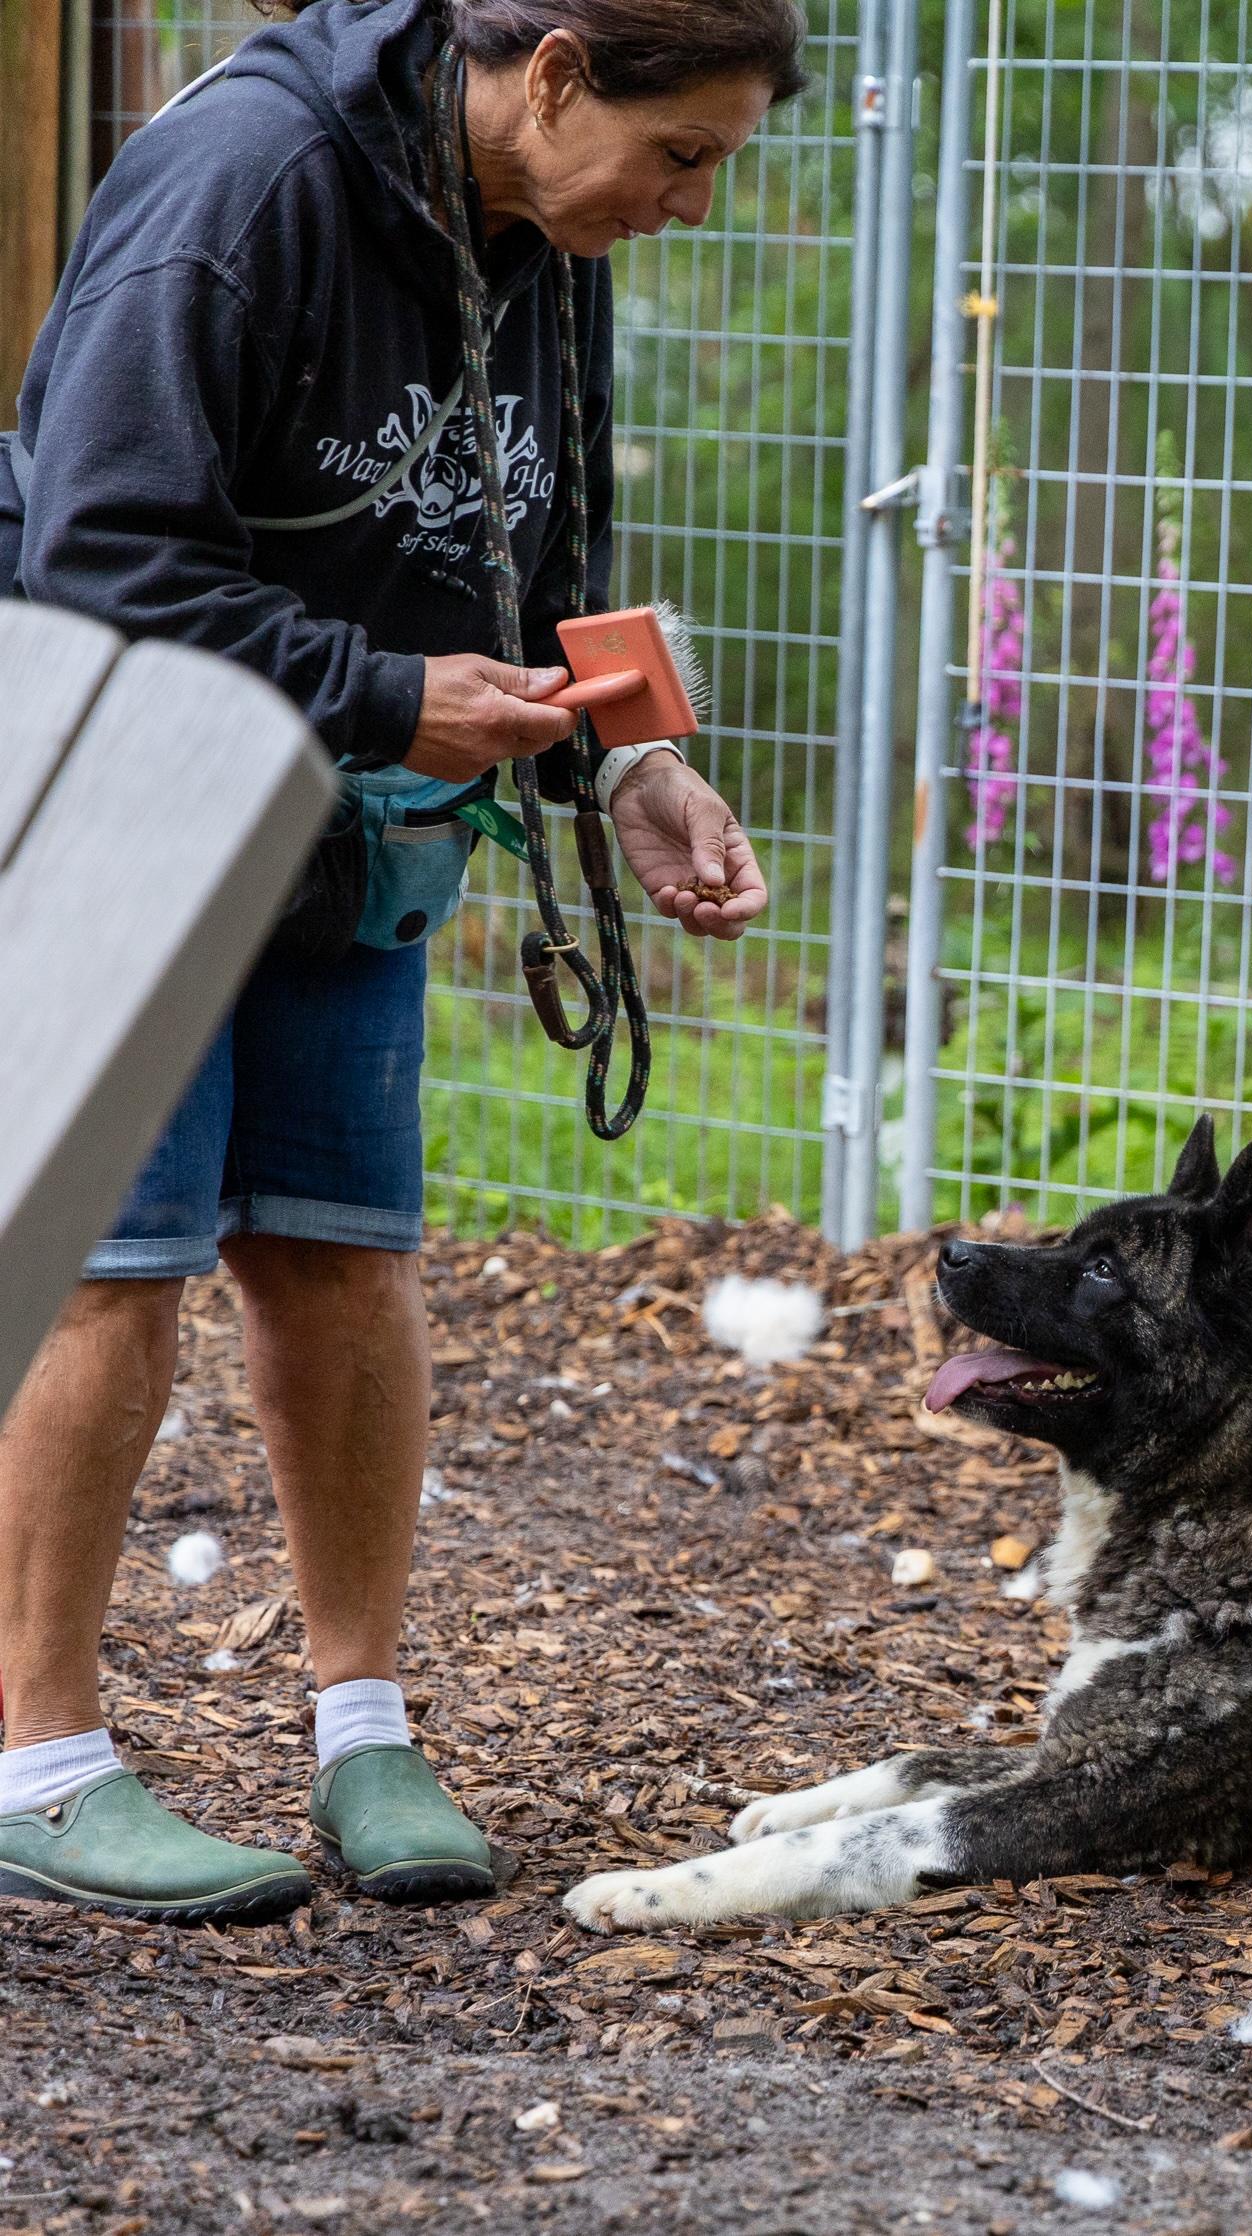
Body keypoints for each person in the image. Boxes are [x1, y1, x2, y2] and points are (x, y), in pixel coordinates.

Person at [0, 0, 804, 1921]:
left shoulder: (544, 226)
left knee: (341, 1257)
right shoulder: (243, 187)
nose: (692, 202)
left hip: (347, 816)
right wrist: (383, 690)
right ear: (549, 75)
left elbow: (543, 531)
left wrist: (638, 752)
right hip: (119, 777)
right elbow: (94, 560)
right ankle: (38, 1762)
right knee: (116, 1270)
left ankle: (365, 1730)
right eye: (680, 151)